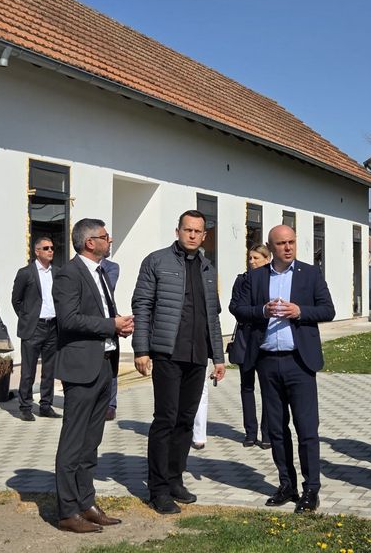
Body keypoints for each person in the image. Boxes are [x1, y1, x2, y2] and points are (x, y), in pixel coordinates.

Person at [232, 225, 334, 513]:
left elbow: (328, 310)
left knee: (306, 428)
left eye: (291, 242)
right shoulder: (255, 277)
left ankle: (311, 488)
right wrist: (262, 311)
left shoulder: (310, 274)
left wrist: (300, 311)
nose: (288, 248)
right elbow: (237, 307)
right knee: (277, 429)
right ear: (270, 246)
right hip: (267, 361)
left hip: (299, 362)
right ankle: (286, 484)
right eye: (281, 243)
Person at [131, 209, 226, 515]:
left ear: (205, 236)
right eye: (187, 230)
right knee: (166, 419)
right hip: (167, 352)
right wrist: (141, 349)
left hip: (197, 355)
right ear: (178, 231)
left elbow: (213, 316)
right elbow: (142, 305)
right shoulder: (156, 261)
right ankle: (158, 489)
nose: (192, 235)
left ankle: (174, 479)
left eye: (198, 231)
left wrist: (219, 357)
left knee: (186, 420)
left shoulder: (208, 268)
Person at [53, 219, 133, 534]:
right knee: (73, 442)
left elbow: (98, 314)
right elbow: (69, 319)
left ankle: (86, 503)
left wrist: (118, 325)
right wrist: (111, 325)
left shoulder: (101, 272)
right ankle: (67, 511)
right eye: (104, 236)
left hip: (104, 364)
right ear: (90, 242)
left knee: (91, 442)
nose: (109, 240)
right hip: (81, 367)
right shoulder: (69, 274)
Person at [11, 237, 60, 421]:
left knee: (49, 370)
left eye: (52, 247)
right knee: (28, 370)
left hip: (53, 326)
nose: (50, 250)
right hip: (34, 327)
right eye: (46, 248)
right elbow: (16, 300)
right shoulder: (26, 273)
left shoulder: (57, 272)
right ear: (37, 251)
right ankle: (25, 406)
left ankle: (46, 405)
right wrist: (27, 318)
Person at [228, 244, 272, 448]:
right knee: (246, 386)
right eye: (250, 258)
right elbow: (234, 307)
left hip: (265, 338)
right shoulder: (242, 280)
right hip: (245, 338)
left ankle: (267, 434)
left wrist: (251, 312)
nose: (252, 262)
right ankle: (250, 433)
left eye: (256, 258)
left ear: (267, 259)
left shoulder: (273, 280)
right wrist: (256, 312)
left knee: (268, 389)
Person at [100, 256, 120, 422]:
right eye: (106, 242)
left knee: (112, 367)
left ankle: (110, 405)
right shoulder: (72, 268)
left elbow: (107, 286)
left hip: (110, 321)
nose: (109, 243)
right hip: (88, 324)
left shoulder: (111, 267)